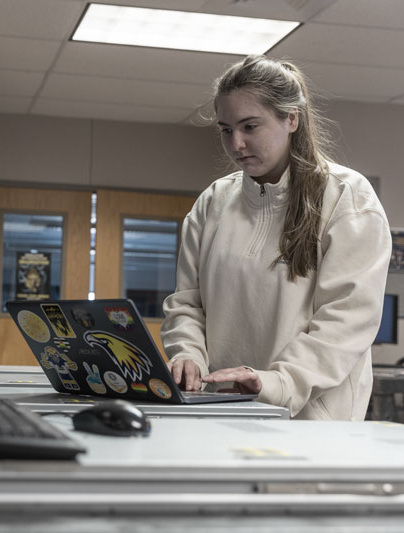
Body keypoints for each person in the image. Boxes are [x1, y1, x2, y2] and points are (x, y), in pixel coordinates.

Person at [161, 55, 391, 420]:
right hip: (220, 409)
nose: (236, 143)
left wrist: (276, 382)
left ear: (292, 119)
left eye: (250, 126)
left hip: (311, 422)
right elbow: (188, 303)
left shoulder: (348, 198)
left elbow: (346, 321)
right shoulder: (214, 202)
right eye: (225, 129)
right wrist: (187, 353)